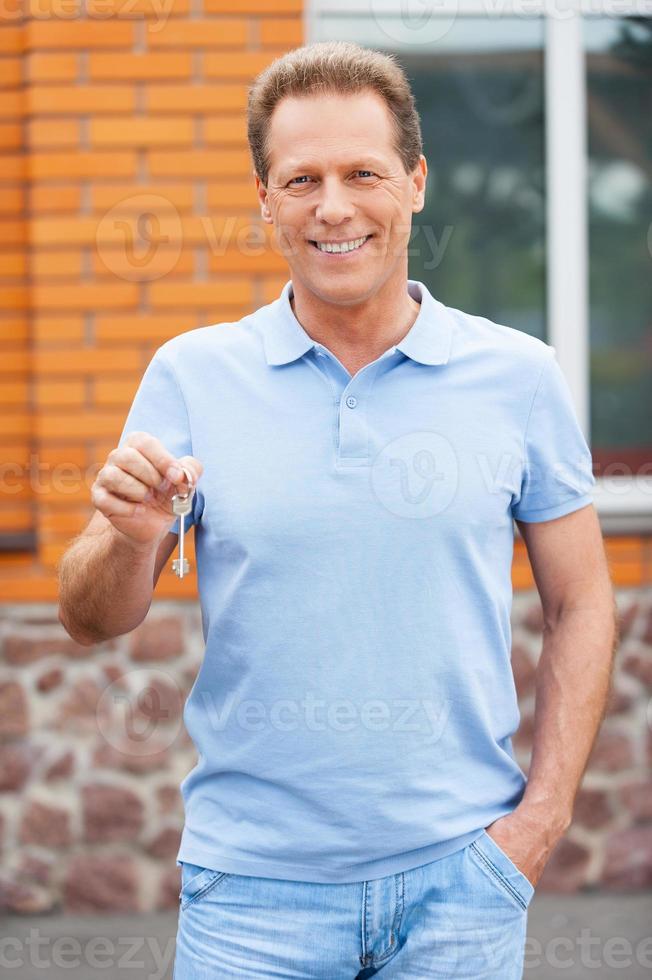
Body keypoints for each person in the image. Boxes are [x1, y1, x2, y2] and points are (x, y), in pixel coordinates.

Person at [58, 40, 617, 979]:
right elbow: (90, 617)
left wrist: (539, 824)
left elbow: (583, 604)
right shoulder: (193, 374)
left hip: (462, 890)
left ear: (417, 183)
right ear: (265, 199)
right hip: (250, 900)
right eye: (301, 178)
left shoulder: (518, 376)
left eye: (364, 172)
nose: (334, 206)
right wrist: (129, 536)